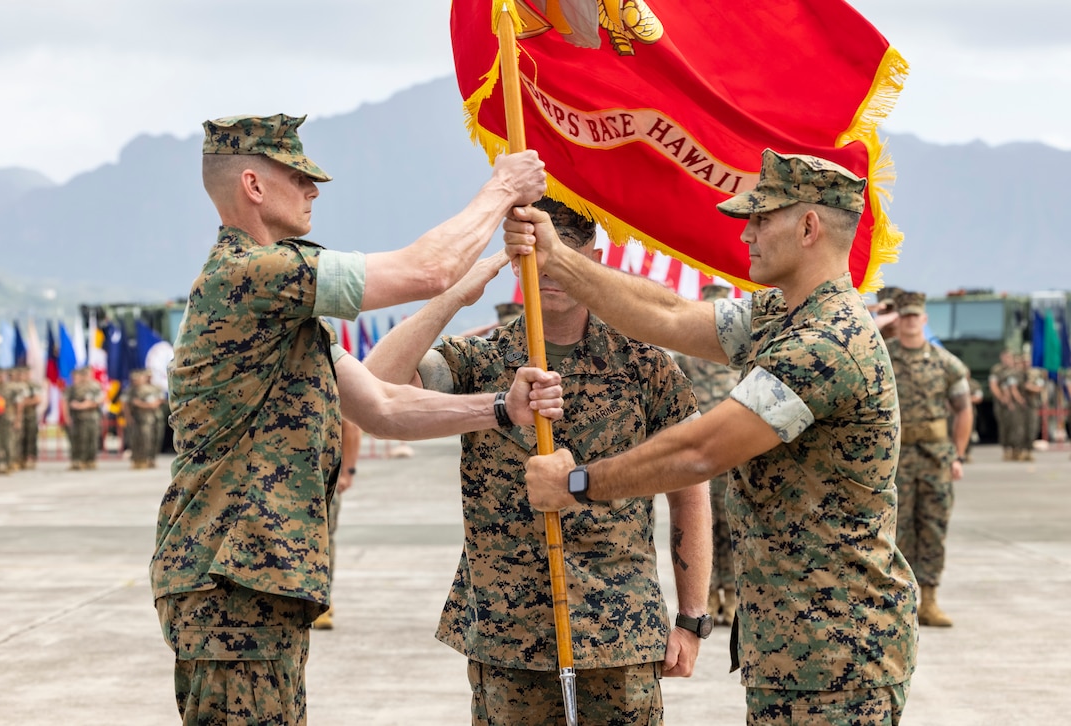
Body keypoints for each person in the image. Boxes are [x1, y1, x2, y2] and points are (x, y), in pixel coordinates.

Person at [150, 113, 561, 726]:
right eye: (298, 177)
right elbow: (426, 269)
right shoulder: (253, 274)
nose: (314, 189)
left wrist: (501, 409)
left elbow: (383, 406)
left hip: (255, 585)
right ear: (254, 186)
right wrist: (501, 188)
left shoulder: (280, 312)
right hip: (230, 584)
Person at [505, 149, 918, 724]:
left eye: (761, 219)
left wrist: (576, 482)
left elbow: (701, 450)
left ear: (808, 227)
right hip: (795, 648)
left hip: (836, 656)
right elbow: (670, 315)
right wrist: (560, 260)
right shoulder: (783, 314)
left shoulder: (827, 343)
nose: (745, 233)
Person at [364, 196, 710, 725]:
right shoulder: (482, 360)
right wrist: (455, 294)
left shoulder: (643, 365)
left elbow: (689, 485)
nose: (549, 265)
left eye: (565, 248)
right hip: (508, 636)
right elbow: (378, 384)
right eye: (536, 250)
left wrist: (690, 619)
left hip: (617, 633)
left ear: (591, 259)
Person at [885, 291, 972, 627]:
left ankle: (930, 600)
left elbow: (963, 411)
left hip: (935, 458)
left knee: (933, 527)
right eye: (903, 316)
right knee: (896, 529)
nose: (908, 322)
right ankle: (899, 602)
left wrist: (958, 455)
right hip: (896, 457)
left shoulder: (945, 363)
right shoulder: (884, 358)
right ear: (899, 320)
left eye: (914, 316)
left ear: (924, 319)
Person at [670, 283, 741, 627]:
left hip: (734, 449)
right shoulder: (688, 355)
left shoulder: (741, 353)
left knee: (732, 524)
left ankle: (733, 592)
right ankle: (710, 593)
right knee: (703, 525)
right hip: (701, 449)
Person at [311, 417, 362, 631]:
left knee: (323, 538)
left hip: (322, 477)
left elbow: (351, 426)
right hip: (301, 477)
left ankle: (322, 600)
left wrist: (348, 472)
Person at [123, 368, 166, 469]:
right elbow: (128, 403)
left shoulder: (155, 388)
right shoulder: (132, 389)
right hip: (139, 419)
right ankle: (139, 460)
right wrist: (146, 405)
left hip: (154, 418)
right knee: (139, 440)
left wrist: (152, 404)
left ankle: (150, 458)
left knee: (154, 439)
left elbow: (161, 400)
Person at [63, 366, 105, 471]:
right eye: (83, 374)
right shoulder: (73, 388)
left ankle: (90, 460)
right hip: (78, 418)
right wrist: (66, 417)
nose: (85, 377)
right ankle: (78, 461)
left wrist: (83, 405)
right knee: (78, 439)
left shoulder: (95, 386)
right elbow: (65, 402)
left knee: (92, 439)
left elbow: (100, 399)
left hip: (92, 417)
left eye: (87, 374)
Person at [0, 368, 18, 475]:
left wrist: (17, 419)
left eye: (2, 375)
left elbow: (17, 404)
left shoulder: (10, 389)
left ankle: (9, 464)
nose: (0, 377)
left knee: (8, 442)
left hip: (7, 419)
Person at [13, 365, 43, 470]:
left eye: (25, 373)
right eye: (20, 373)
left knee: (31, 437)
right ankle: (20, 459)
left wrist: (24, 403)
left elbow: (38, 399)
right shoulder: (15, 385)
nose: (22, 376)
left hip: (30, 416)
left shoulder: (32, 385)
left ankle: (31, 458)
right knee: (19, 439)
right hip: (18, 416)